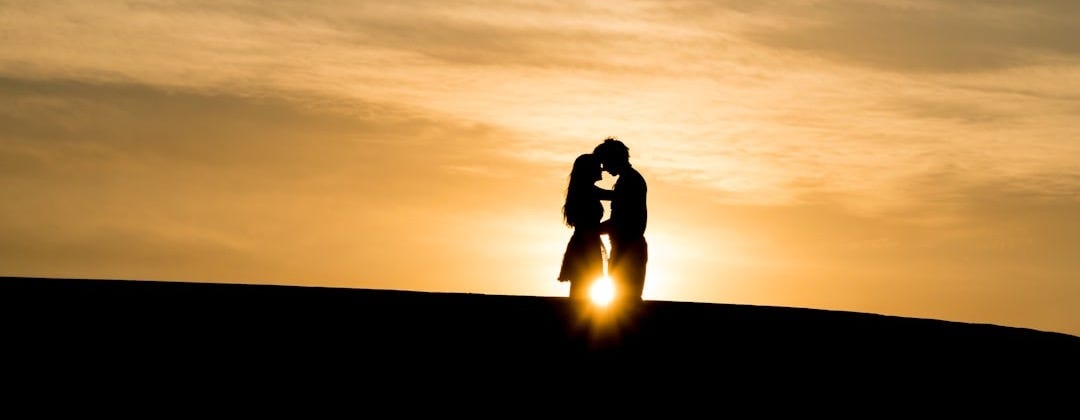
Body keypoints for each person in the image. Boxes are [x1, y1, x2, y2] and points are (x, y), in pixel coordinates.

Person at [593, 137, 648, 303]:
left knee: (626, 303)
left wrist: (591, 230)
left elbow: (622, 221)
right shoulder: (629, 179)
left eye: (605, 162)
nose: (604, 168)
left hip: (628, 250)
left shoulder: (630, 181)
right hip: (624, 249)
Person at [557, 153, 613, 300]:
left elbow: (614, 195)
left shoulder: (586, 190)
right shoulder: (588, 191)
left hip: (585, 242)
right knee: (583, 283)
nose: (602, 170)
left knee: (583, 284)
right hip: (585, 244)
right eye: (598, 167)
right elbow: (616, 195)